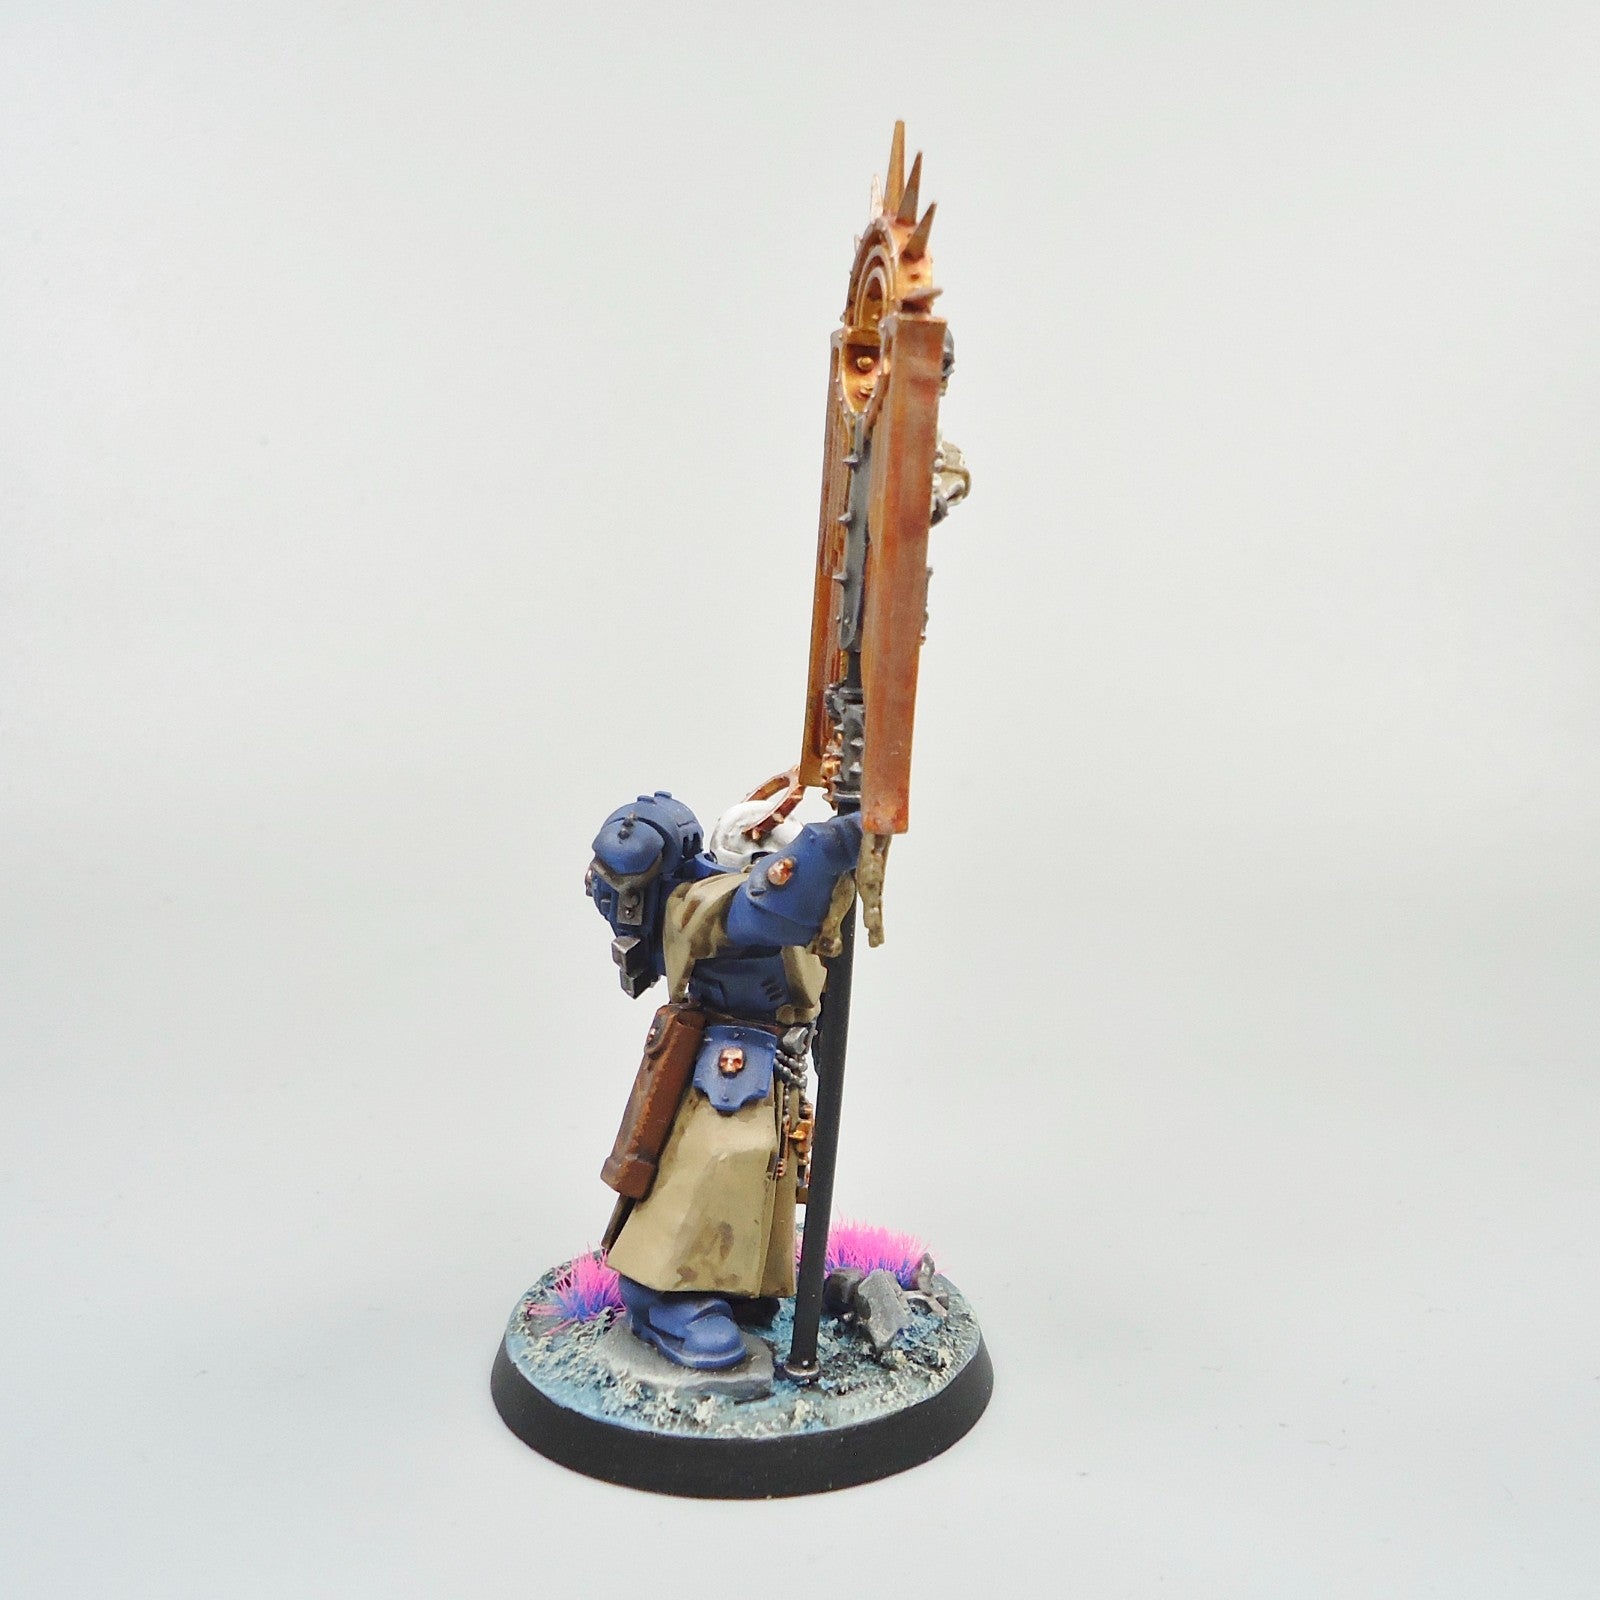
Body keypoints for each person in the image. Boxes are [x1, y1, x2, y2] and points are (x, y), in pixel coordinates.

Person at [585, 789, 861, 1369]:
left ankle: (737, 1281)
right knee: (712, 1167)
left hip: (781, 1060)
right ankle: (658, 1293)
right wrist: (836, 841)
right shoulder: (701, 902)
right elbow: (767, 907)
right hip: (725, 1064)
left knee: (769, 1174)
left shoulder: (806, 902)